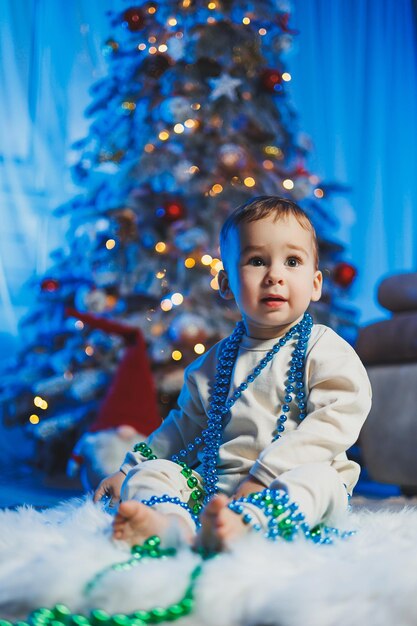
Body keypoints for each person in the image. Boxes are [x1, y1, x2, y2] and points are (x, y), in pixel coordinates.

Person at [94, 196, 372, 552]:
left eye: (292, 261)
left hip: (289, 478)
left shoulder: (323, 348)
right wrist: (128, 469)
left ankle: (250, 526)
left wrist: (265, 476)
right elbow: (180, 430)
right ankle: (170, 525)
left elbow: (335, 419)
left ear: (316, 283)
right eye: (257, 261)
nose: (274, 275)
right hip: (217, 486)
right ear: (226, 284)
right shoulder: (211, 365)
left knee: (321, 482)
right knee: (152, 475)